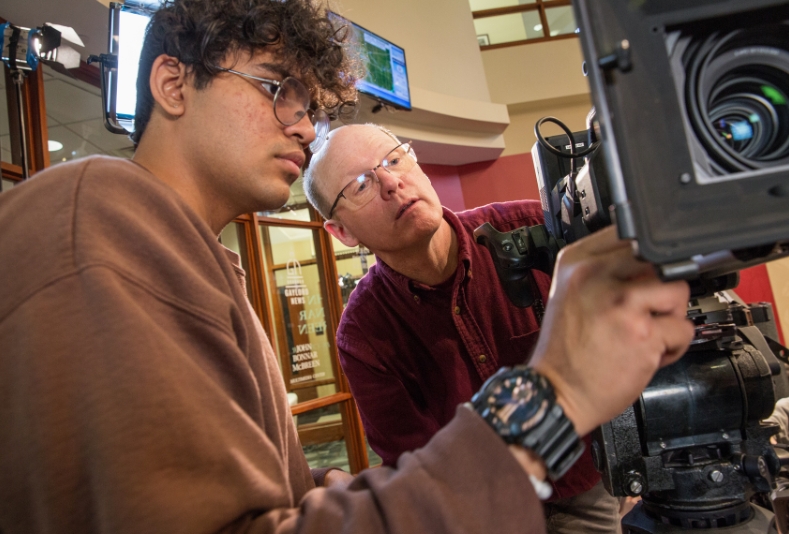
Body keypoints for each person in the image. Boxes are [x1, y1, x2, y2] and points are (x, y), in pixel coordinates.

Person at [0, 0, 694, 532]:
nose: (303, 126)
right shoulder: (98, 210)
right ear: (173, 83)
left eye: (308, 106)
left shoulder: (195, 259)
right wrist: (553, 397)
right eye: (277, 91)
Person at [304, 124, 617, 532]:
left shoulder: (533, 231)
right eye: (361, 185)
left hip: (583, 485)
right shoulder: (364, 335)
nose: (392, 183)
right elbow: (411, 459)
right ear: (341, 232)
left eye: (394, 160)